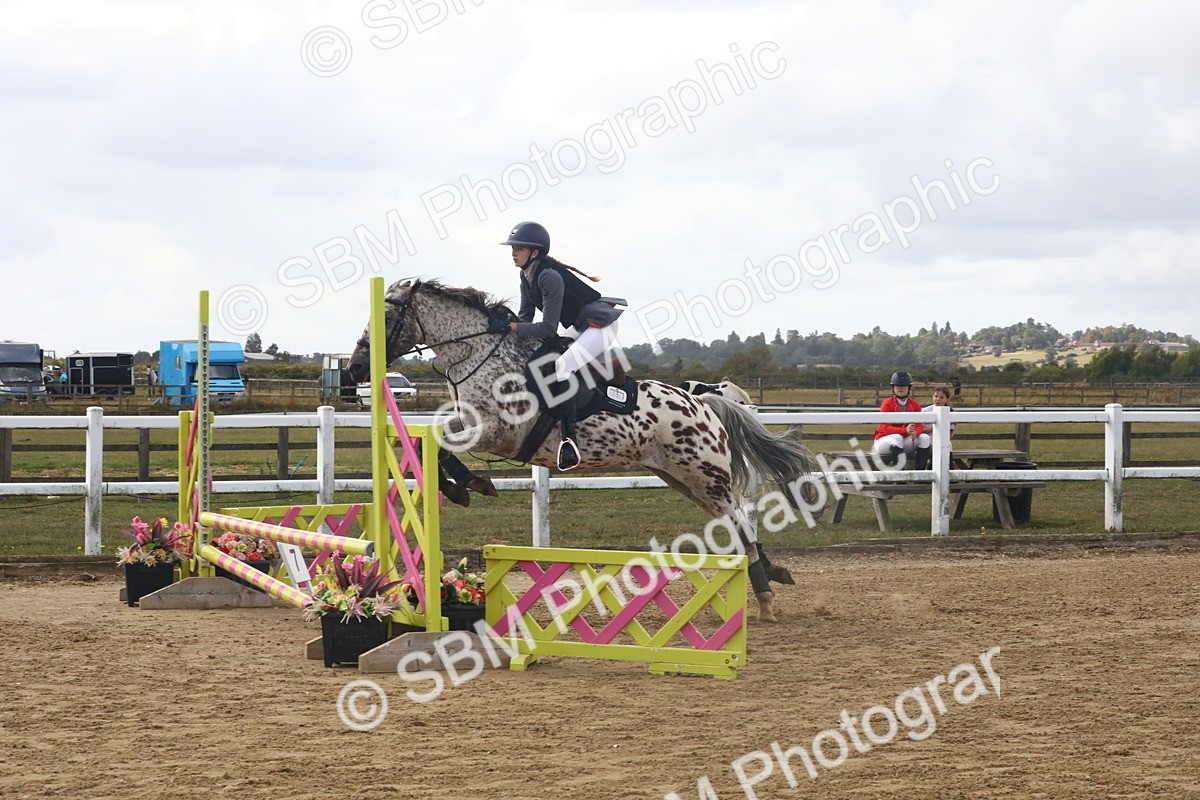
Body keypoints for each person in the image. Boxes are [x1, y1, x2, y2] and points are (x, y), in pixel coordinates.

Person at [493, 221, 626, 471]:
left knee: (562, 365)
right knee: (544, 354)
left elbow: (547, 328)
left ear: (535, 252)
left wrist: (512, 328)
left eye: (519, 248)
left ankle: (569, 441)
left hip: (600, 326)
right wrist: (504, 325)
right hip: (581, 324)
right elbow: (525, 319)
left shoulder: (548, 276)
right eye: (513, 248)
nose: (513, 253)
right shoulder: (526, 275)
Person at [872, 371, 932, 469]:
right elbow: (886, 429)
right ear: (893, 388)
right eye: (897, 386)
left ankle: (920, 473)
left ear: (909, 388)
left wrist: (916, 432)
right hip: (883, 441)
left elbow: (919, 425)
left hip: (903, 441)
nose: (901, 388)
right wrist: (905, 430)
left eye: (904, 386)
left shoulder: (915, 405)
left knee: (925, 438)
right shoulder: (887, 404)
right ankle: (900, 475)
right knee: (897, 437)